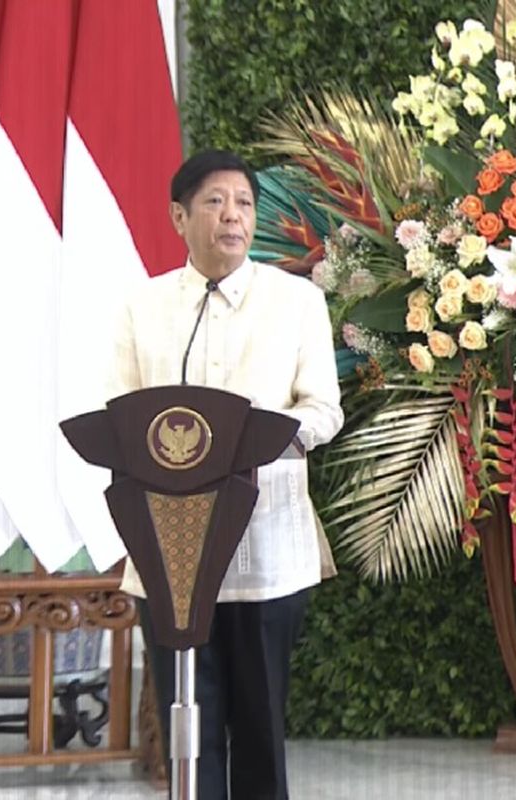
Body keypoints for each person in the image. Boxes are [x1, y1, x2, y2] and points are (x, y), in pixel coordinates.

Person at [110, 149, 344, 799]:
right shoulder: (143, 305)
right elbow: (120, 415)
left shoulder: (296, 302)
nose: (232, 216)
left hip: (265, 545)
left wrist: (261, 442)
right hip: (168, 550)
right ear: (179, 217)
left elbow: (324, 410)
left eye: (243, 202)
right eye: (214, 202)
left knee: (261, 725)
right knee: (191, 733)